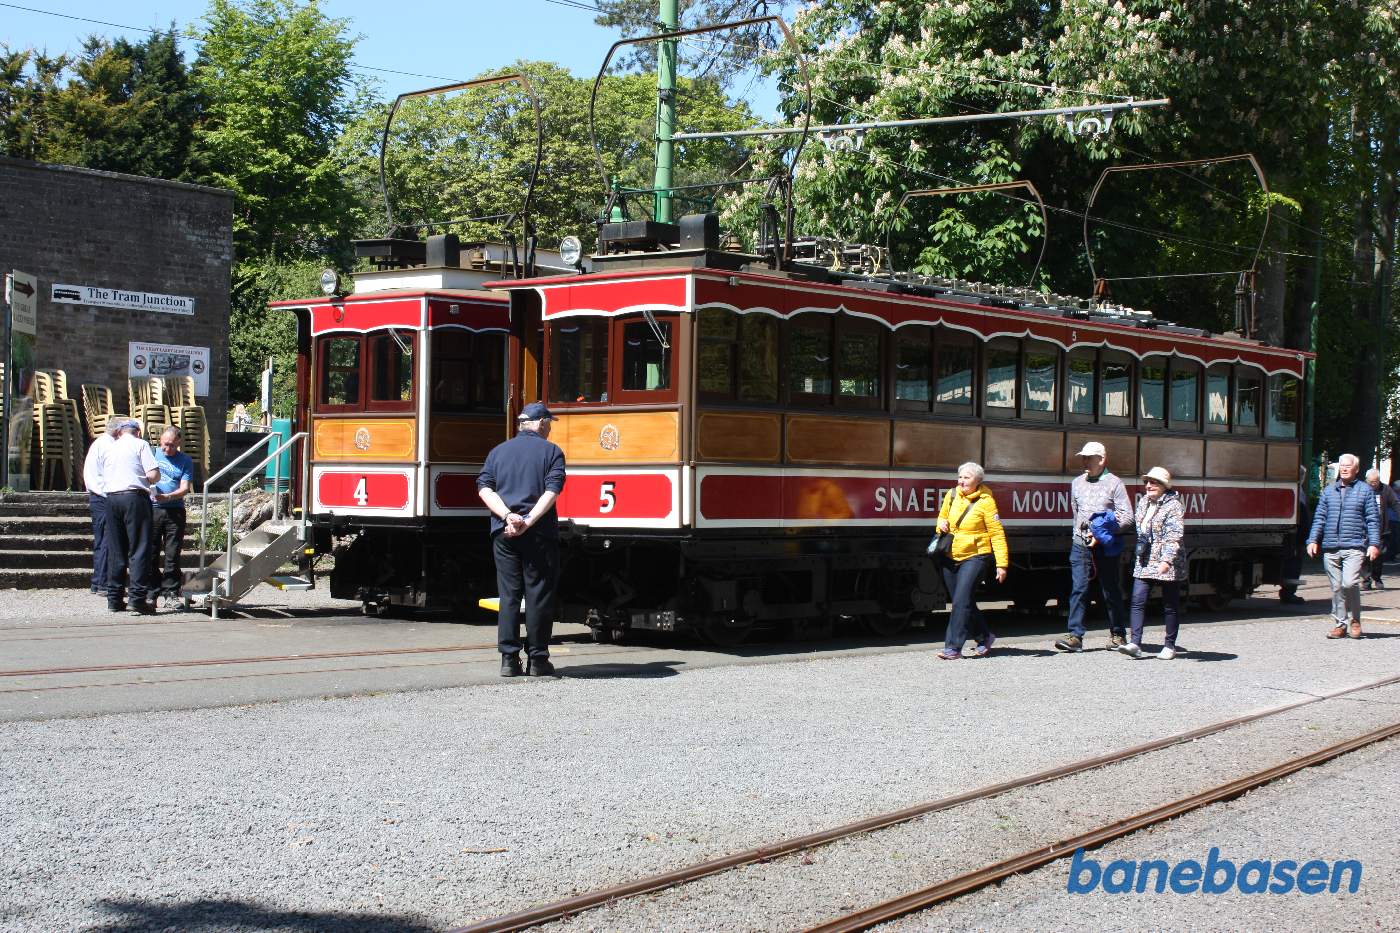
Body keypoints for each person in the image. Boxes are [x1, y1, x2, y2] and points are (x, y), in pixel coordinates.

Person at [477, 402, 567, 677]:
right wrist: (527, 521)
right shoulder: (552, 452)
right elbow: (551, 493)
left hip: (504, 534)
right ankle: (538, 660)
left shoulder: (497, 452)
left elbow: (484, 489)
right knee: (538, 594)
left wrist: (507, 516)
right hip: (538, 534)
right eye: (549, 424)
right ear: (540, 424)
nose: (550, 428)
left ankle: (508, 659)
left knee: (509, 596)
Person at [1055, 441, 1134, 652]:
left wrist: (1101, 533)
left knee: (1109, 589)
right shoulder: (1077, 483)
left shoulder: (1115, 484)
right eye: (1083, 457)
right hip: (1080, 544)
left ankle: (1118, 634)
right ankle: (1074, 636)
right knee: (1078, 588)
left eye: (1089, 458)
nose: (1085, 461)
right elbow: (1076, 513)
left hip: (1105, 545)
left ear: (1102, 459)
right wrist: (1080, 534)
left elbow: (1127, 517)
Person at [933, 462, 1008, 660]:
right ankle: (985, 637)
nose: (962, 481)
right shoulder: (951, 495)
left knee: (960, 601)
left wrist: (1002, 564)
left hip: (976, 556)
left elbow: (997, 534)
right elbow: (941, 521)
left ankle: (953, 647)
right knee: (963, 600)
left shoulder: (986, 501)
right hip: (951, 555)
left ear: (978, 480)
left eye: (967, 477)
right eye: (960, 477)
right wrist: (940, 525)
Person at [1307, 453, 1380, 640]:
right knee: (1337, 587)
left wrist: (1373, 544)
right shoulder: (1329, 491)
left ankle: (1355, 620)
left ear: (1356, 469)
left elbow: (1373, 520)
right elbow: (1320, 518)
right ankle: (1340, 624)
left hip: (1354, 546)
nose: (1344, 468)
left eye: (1348, 466)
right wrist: (1313, 540)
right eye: (1342, 465)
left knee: (1349, 583)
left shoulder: (1365, 491)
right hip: (1330, 546)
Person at [1119, 467, 1186, 660]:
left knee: (1170, 604)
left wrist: (1166, 560)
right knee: (1138, 599)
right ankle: (1135, 643)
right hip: (1146, 559)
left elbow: (1174, 536)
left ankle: (1169, 646)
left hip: (1168, 559)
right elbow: (1139, 529)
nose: (1148, 486)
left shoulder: (1173, 505)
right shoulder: (1143, 503)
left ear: (1164, 486)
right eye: (1147, 482)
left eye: (1154, 482)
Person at [99, 420, 160, 615]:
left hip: (111, 498)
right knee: (139, 549)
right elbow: (152, 475)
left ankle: (114, 599)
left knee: (116, 550)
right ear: (138, 432)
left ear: (119, 433)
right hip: (134, 497)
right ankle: (137, 599)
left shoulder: (109, 447)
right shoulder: (140, 444)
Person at [150, 425, 194, 606]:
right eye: (164, 445)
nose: (167, 449)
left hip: (174, 509)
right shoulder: (152, 454)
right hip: (152, 509)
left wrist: (168, 496)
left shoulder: (185, 460)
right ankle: (151, 591)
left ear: (178, 443)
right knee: (151, 551)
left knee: (172, 553)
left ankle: (171, 592)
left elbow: (185, 488)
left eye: (171, 445)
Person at [82, 416, 123, 596]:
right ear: (118, 431)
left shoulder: (99, 443)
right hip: (103, 496)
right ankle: (102, 583)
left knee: (102, 542)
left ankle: (98, 582)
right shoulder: (108, 446)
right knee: (106, 541)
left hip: (98, 495)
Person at [1279, 465, 1312, 605]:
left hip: (1293, 535)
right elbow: (1303, 517)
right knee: (1293, 563)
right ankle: (1288, 592)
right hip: (1296, 536)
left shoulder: (1295, 491)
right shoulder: (1298, 493)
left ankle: (1288, 591)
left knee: (1291, 562)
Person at [1362, 469, 1398, 590]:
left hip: (1381, 529)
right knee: (1364, 556)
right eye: (1371, 482)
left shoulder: (1385, 489)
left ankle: (1376, 577)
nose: (1373, 484)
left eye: (1376, 481)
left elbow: (1395, 503)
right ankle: (1366, 580)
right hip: (1363, 530)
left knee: (1378, 555)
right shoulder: (1361, 488)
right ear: (1366, 480)